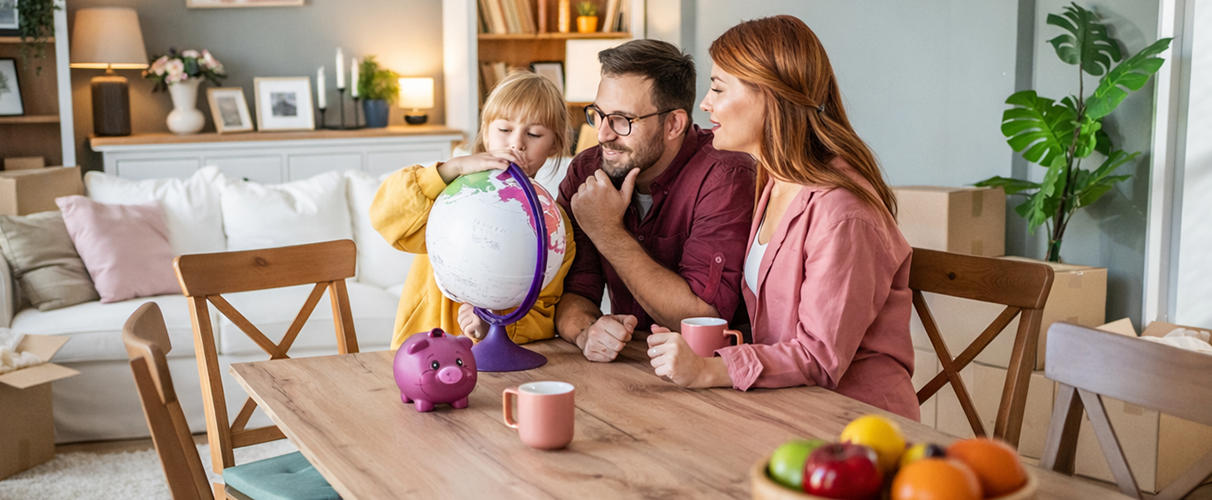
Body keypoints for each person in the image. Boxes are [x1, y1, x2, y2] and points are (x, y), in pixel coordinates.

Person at [644, 15, 920, 420]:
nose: (705, 103)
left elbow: (818, 357)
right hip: (787, 406)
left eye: (718, 88)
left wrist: (709, 369)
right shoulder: (775, 182)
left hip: (856, 425)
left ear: (769, 96)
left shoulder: (842, 211)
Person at [556, 39, 757, 363]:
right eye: (599, 114)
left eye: (622, 120)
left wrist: (607, 232)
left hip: (716, 377)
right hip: (631, 371)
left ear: (674, 124)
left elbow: (702, 319)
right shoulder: (587, 170)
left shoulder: (725, 175)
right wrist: (586, 332)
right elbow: (570, 292)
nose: (604, 134)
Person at [373, 71, 576, 349]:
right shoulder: (447, 193)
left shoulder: (554, 225)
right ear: (486, 129)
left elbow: (543, 312)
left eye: (534, 133)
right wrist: (453, 167)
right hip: (422, 355)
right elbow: (386, 215)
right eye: (504, 130)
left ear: (555, 145)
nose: (516, 143)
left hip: (495, 370)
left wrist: (493, 323)